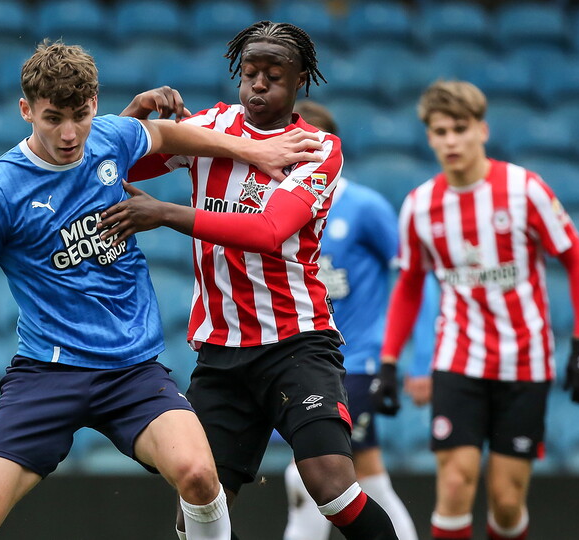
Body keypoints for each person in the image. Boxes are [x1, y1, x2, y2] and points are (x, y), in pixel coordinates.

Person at [0, 40, 323, 540]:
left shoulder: (111, 138)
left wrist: (255, 149)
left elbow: (168, 134)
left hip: (133, 372)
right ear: (26, 110)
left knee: (200, 477)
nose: (69, 133)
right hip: (47, 373)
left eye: (80, 115)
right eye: (53, 118)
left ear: (95, 105)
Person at [102, 21, 399, 540]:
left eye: (273, 76)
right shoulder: (211, 126)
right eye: (249, 74)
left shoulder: (317, 148)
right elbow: (107, 167)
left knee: (330, 483)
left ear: (301, 80)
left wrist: (167, 214)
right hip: (221, 353)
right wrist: (134, 118)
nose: (258, 85)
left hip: (296, 342)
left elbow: (268, 230)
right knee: (196, 506)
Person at [369, 80, 579, 540]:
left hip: (525, 362)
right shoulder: (419, 206)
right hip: (458, 360)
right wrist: (390, 363)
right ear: (429, 137)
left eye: (460, 128)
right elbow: (410, 283)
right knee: (454, 485)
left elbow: (578, 260)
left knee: (507, 501)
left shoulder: (525, 190)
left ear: (482, 130)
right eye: (440, 131)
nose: (451, 140)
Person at [279, 101, 421, 540]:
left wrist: (408, 358)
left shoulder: (364, 207)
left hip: (359, 360)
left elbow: (412, 273)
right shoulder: (279, 210)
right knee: (367, 474)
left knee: (309, 472)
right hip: (311, 359)